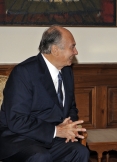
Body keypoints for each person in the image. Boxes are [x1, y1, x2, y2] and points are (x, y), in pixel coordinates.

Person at [0, 26, 89, 162]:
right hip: (19, 138)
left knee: (80, 152)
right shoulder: (24, 73)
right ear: (55, 50)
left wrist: (69, 127)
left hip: (51, 138)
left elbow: (71, 107)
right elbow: (17, 120)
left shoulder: (66, 72)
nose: (76, 52)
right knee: (40, 156)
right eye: (72, 47)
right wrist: (56, 131)